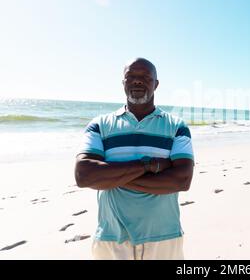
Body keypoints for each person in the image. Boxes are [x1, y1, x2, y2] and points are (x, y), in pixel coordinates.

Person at [74, 58, 194, 260]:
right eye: (131, 76)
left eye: (145, 77)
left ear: (156, 84)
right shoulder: (99, 125)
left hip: (164, 238)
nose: (138, 81)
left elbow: (182, 180)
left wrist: (112, 178)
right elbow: (84, 175)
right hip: (111, 239)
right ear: (123, 82)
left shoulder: (177, 126)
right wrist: (149, 165)